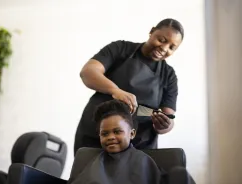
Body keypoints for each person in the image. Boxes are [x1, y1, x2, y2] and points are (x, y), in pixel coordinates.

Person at [74, 18, 184, 154]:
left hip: (139, 145)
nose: (164, 48)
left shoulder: (168, 75)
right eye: (161, 40)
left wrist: (164, 125)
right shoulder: (120, 49)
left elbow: (168, 116)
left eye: (172, 47)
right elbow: (88, 72)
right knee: (88, 173)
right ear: (152, 31)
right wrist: (115, 91)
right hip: (96, 135)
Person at [68, 100, 195, 184]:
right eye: (105, 134)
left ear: (132, 134)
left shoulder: (143, 161)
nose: (111, 137)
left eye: (117, 131)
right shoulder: (92, 161)